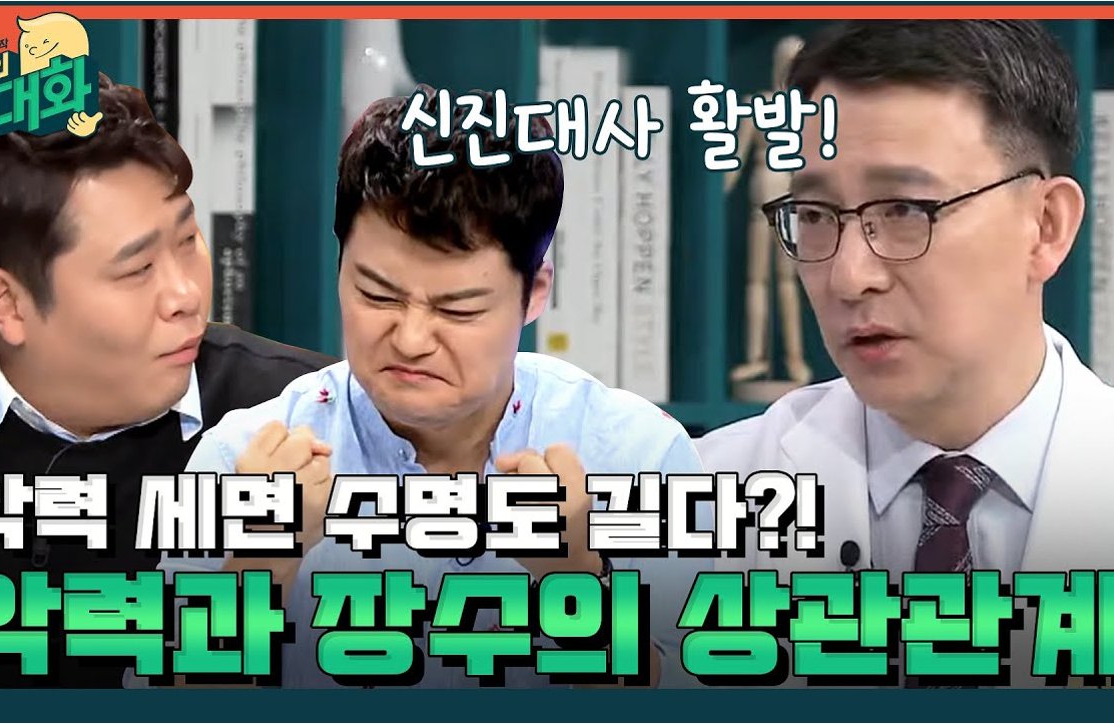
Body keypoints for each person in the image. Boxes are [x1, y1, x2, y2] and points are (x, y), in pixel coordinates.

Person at [158, 88, 712, 689]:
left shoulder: (634, 456)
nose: (412, 339)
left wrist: (577, 580)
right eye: (377, 295)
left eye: (458, 308)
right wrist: (258, 568)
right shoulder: (241, 460)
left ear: (535, 292)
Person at [697, 20, 1114, 688]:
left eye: (905, 209)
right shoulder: (698, 501)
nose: (848, 276)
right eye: (813, 215)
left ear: (1046, 227)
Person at [0, 72, 338, 688]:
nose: (186, 295)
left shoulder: (300, 415)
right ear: (8, 303)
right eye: (137, 270)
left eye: (188, 239)